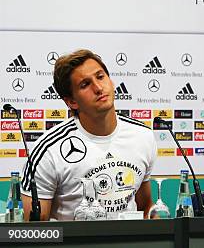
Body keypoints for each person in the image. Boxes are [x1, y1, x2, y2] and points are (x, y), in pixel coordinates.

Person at [20, 49, 157, 220]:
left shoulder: (143, 135)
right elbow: (33, 230)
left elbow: (145, 208)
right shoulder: (49, 149)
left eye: (100, 77)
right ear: (71, 101)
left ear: (111, 81)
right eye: (85, 84)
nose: (99, 88)